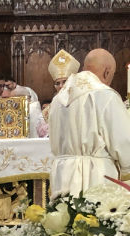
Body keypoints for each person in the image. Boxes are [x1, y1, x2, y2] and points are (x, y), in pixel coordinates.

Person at [49, 48, 130, 198]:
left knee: (64, 212)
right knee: (92, 213)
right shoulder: (105, 95)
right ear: (107, 72)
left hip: (62, 176)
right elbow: (124, 143)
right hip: (96, 176)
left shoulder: (57, 99)